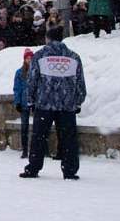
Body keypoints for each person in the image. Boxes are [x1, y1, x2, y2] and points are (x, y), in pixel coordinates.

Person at [20, 24, 86, 180]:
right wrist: (78, 102)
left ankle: (33, 168)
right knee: (68, 139)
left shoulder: (40, 56)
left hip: (44, 104)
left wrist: (30, 101)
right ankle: (70, 170)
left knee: (39, 137)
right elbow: (80, 83)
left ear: (47, 39)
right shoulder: (74, 57)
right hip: (67, 105)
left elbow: (32, 81)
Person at [13, 49, 34, 159]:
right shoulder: (20, 72)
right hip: (24, 102)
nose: (29, 60)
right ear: (24, 59)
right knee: (24, 127)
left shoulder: (36, 71)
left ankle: (38, 149)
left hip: (34, 102)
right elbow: (17, 88)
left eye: (31, 58)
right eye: (27, 58)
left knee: (38, 127)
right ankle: (25, 149)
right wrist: (17, 102)